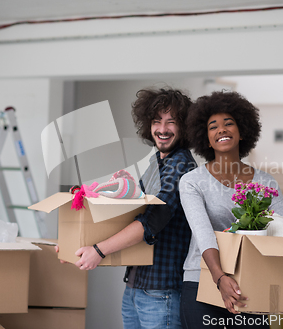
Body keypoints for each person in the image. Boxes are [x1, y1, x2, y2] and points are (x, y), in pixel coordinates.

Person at [178, 91, 283, 329]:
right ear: (206, 138)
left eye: (229, 123)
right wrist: (220, 278)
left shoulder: (266, 182)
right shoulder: (192, 181)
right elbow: (204, 236)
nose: (221, 129)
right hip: (202, 282)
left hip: (253, 282)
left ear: (242, 132)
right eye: (213, 127)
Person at [73, 88, 197, 329]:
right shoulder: (156, 162)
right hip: (137, 284)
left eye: (171, 122)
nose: (162, 129)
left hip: (161, 289)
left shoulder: (180, 165)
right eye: (156, 122)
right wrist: (75, 244)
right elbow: (127, 213)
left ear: (184, 127)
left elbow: (151, 221)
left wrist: (98, 251)